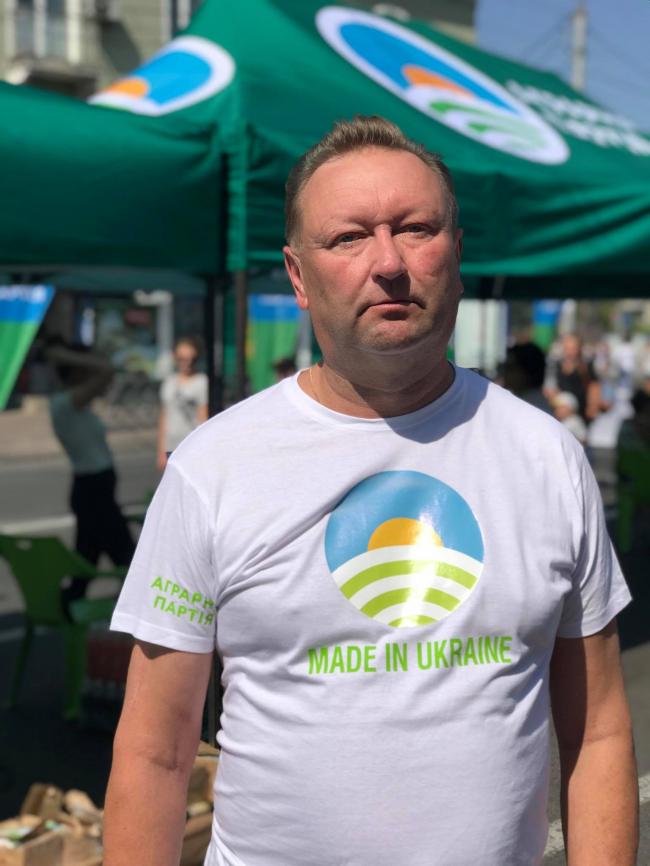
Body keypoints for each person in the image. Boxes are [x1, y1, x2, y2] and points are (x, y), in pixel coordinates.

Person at [104, 117, 638, 866]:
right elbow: (155, 753)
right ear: (298, 276)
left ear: (456, 255)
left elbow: (599, 730)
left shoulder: (547, 457)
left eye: (416, 229)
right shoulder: (213, 467)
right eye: (349, 237)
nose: (388, 263)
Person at [46, 340, 135, 610]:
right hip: (93, 491)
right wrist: (68, 356)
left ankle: (67, 609)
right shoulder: (65, 403)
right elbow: (106, 370)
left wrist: (69, 357)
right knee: (129, 559)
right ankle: (133, 614)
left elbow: (103, 372)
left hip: (94, 490)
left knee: (86, 561)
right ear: (75, 371)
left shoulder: (74, 404)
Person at [157, 337, 209, 470]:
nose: (187, 363)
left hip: (191, 446)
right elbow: (165, 416)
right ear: (175, 358)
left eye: (192, 359)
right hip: (171, 445)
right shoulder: (169, 382)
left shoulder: (202, 382)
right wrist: (161, 450)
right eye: (182, 359)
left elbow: (204, 417)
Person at [545, 333, 602, 423]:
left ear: (580, 349)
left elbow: (594, 387)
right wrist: (561, 405)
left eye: (573, 349)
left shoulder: (587, 367)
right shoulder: (555, 366)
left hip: (582, 415)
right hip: (561, 413)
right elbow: (550, 390)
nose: (570, 352)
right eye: (567, 348)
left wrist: (592, 406)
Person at [499, 341, 552, 413]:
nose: (504, 372)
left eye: (510, 368)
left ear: (526, 373)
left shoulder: (530, 407)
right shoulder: (520, 401)